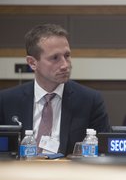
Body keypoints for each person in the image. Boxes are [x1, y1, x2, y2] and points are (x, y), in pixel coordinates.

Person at [0, 24, 110, 156]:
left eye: (67, 55)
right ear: (32, 63)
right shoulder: (6, 101)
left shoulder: (90, 101)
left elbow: (103, 153)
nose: (65, 65)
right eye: (55, 58)